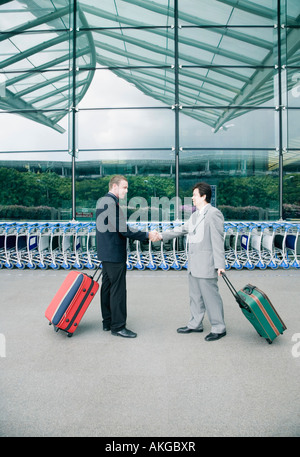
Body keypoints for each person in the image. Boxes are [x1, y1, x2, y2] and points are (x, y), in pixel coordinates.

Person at [160, 182, 226, 341]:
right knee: (195, 296)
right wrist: (161, 236)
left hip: (207, 264)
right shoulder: (195, 215)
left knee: (211, 297)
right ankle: (195, 324)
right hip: (194, 264)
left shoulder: (214, 214)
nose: (192, 198)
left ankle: (219, 327)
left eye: (195, 195)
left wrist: (220, 265)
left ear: (204, 196)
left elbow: (218, 240)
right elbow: (181, 229)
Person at [96, 175, 159, 338]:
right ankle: (118, 327)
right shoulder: (111, 203)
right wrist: (146, 234)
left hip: (106, 253)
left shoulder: (103, 201)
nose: (127, 190)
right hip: (114, 254)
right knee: (117, 291)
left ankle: (108, 322)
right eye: (124, 187)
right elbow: (123, 229)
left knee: (107, 288)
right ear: (114, 186)